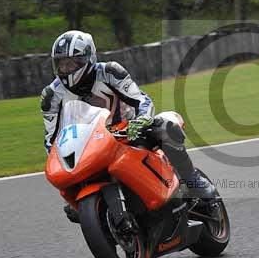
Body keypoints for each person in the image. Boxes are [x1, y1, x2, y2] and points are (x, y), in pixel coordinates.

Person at [40, 30, 217, 222]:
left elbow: (141, 100)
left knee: (167, 126)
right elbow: (51, 140)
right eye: (61, 64)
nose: (65, 69)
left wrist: (141, 120)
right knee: (72, 205)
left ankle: (194, 182)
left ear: (86, 58)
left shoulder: (110, 72)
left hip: (127, 131)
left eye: (70, 63)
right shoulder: (51, 95)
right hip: (88, 146)